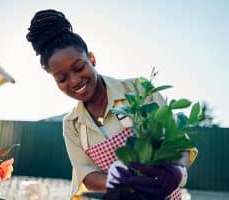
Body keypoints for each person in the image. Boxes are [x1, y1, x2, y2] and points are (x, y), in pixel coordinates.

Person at [26, 9, 197, 200]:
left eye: (79, 67)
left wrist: (176, 171)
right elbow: (87, 174)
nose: (74, 81)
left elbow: (178, 141)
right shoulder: (72, 125)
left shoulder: (139, 90)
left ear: (92, 59)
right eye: (62, 78)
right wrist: (117, 180)